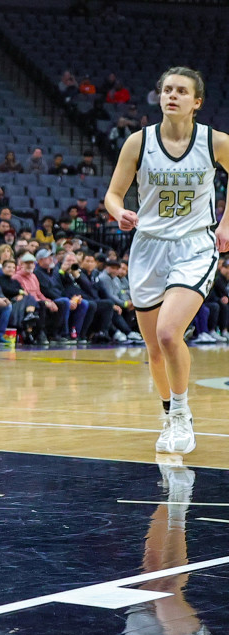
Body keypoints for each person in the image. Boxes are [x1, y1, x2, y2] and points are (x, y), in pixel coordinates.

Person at [104, 67, 229, 456]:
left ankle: (180, 412)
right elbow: (113, 194)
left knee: (169, 333)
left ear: (197, 102)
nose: (171, 95)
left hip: (194, 245)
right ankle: (168, 411)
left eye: (181, 91)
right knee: (154, 349)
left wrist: (226, 223)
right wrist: (118, 212)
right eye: (166, 90)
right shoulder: (138, 143)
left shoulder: (216, 141)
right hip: (148, 246)